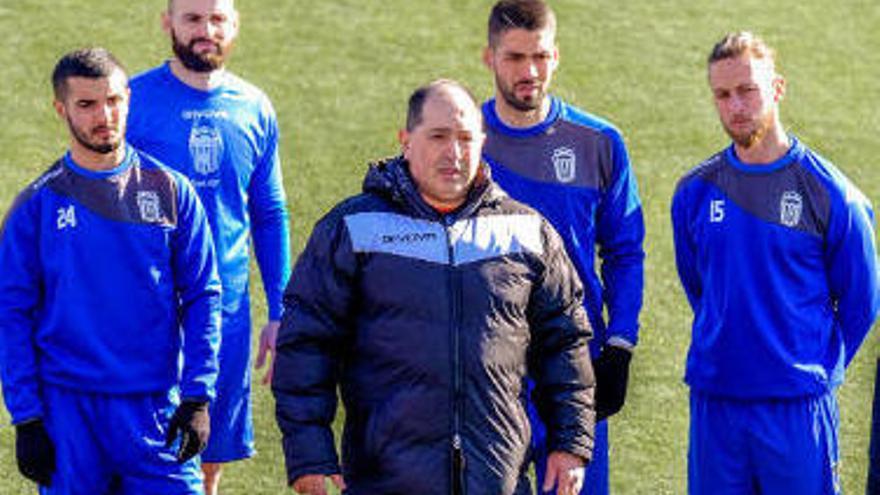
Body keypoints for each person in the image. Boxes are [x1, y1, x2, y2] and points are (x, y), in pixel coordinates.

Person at [272, 79, 595, 495]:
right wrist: (309, 454)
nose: (454, 153)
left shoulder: (528, 231)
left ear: (482, 142)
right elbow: (306, 345)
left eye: (464, 138)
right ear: (406, 141)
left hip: (498, 480)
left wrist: (570, 442)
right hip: (385, 481)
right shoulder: (352, 228)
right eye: (438, 137)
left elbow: (565, 342)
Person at [0, 47, 221, 494]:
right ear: (61, 109)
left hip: (155, 406)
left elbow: (203, 295)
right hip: (68, 411)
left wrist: (197, 395)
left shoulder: (171, 192)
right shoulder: (35, 207)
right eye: (87, 104)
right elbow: (10, 314)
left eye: (115, 100)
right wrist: (26, 418)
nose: (105, 115)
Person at [671, 31, 879, 495]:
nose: (735, 106)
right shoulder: (693, 192)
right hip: (716, 405)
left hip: (795, 409)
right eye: (723, 95)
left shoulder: (832, 194)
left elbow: (862, 301)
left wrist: (810, 364)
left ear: (777, 89)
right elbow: (700, 288)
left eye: (747, 90)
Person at [126, 0, 292, 492]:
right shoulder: (131, 101)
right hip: (147, 307)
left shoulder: (254, 107)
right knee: (138, 448)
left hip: (225, 313)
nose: (206, 31)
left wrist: (280, 311)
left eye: (217, 19)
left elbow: (269, 214)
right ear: (168, 23)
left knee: (207, 453)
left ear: (234, 26)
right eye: (193, 19)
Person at [480, 1, 645, 493]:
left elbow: (624, 252)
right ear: (489, 58)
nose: (529, 71)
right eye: (513, 58)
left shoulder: (598, 142)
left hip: (573, 369)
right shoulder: (465, 142)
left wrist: (619, 345)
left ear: (557, 56)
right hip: (488, 369)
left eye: (540, 56)